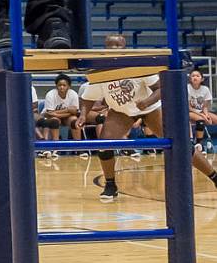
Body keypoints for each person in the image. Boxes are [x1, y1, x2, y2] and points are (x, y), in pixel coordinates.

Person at [78, 35, 217, 201]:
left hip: (150, 109)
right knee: (104, 145)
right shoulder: (100, 69)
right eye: (110, 45)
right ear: (104, 48)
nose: (114, 48)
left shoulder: (137, 64)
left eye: (117, 45)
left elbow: (160, 88)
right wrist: (83, 114)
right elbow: (87, 97)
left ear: (125, 48)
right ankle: (110, 184)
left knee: (182, 144)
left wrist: (147, 101)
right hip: (120, 111)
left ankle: (214, 177)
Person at [35, 73, 81, 157]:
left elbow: (75, 112)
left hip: (66, 117)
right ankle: (56, 148)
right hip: (50, 117)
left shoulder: (73, 94)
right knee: (55, 121)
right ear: (56, 86)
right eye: (59, 85)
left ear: (69, 86)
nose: (62, 87)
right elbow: (50, 113)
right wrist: (68, 110)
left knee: (74, 120)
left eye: (64, 85)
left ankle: (79, 149)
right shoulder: (50, 94)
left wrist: (58, 113)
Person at [188, 68, 216, 148]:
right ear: (190, 78)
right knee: (201, 120)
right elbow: (189, 107)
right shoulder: (187, 88)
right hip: (189, 111)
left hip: (201, 111)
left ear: (202, 79)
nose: (195, 77)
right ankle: (199, 143)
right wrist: (203, 116)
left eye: (197, 76)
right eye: (193, 76)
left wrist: (206, 114)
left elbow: (205, 107)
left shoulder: (205, 89)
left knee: (214, 119)